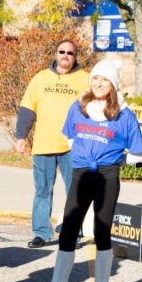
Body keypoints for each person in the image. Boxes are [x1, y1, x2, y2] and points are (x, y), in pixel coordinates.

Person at [26, 59, 142, 282]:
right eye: (95, 79)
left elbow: (137, 153)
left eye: (104, 79)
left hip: (107, 176)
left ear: (113, 84)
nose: (99, 83)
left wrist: (114, 160)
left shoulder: (124, 114)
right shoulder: (78, 107)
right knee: (68, 231)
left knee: (102, 232)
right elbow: (69, 136)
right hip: (80, 174)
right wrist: (82, 155)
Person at [14, 40, 89, 249]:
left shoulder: (85, 79)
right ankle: (41, 232)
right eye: (62, 51)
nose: (65, 55)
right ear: (56, 53)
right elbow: (28, 110)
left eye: (70, 53)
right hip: (43, 145)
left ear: (75, 56)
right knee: (42, 191)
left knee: (75, 191)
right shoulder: (40, 78)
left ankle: (72, 231)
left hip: (73, 147)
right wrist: (21, 136)